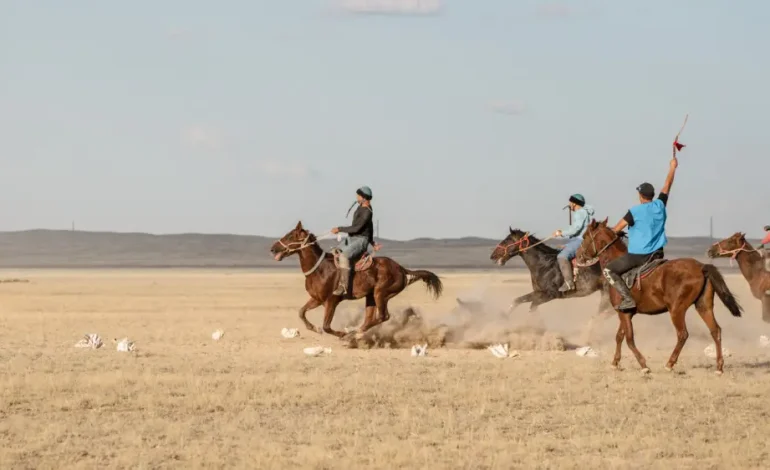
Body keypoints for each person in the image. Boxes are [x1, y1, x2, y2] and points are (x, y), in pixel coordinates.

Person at [605, 155, 679, 311]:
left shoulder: (634, 211)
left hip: (638, 256)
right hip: (657, 254)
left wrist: (608, 231)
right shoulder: (660, 205)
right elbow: (667, 185)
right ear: (651, 196)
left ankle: (627, 298)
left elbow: (616, 230)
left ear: (640, 196)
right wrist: (673, 167)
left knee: (608, 270)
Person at [330, 186, 381, 296]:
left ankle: (343, 286)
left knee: (343, 256)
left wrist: (340, 229)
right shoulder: (360, 208)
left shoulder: (367, 212)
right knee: (334, 252)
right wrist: (373, 243)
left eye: (358, 195)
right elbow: (370, 227)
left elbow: (356, 228)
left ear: (364, 198)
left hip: (361, 240)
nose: (356, 197)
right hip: (352, 238)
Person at [551, 194, 595, 292]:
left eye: (570, 202)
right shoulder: (583, 212)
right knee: (559, 249)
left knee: (561, 256)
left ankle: (569, 283)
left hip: (581, 241)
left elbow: (575, 229)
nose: (569, 205)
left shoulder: (580, 213)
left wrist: (560, 233)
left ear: (574, 203)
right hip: (577, 240)